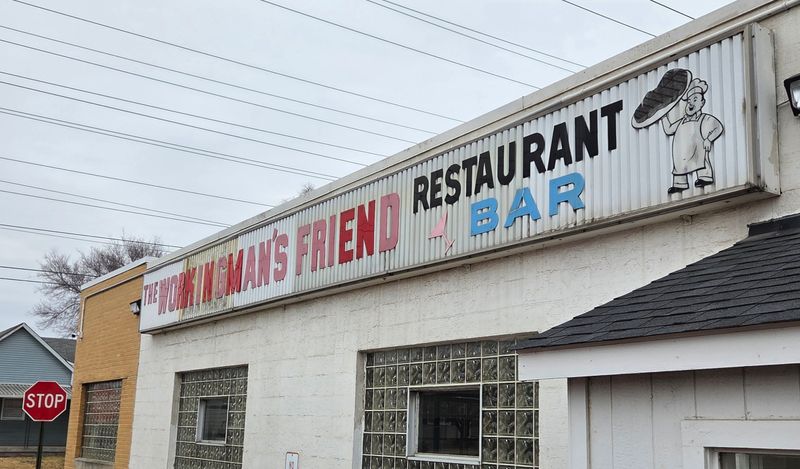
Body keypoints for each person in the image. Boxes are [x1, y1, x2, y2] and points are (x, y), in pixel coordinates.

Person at [660, 78, 724, 193]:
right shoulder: (681, 121)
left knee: (700, 161)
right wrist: (663, 116)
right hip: (680, 153)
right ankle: (680, 184)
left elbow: (718, 127)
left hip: (697, 149)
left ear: (702, 103)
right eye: (689, 101)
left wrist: (709, 139)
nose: (691, 103)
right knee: (679, 166)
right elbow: (669, 130)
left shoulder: (704, 118)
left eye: (695, 100)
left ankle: (705, 177)